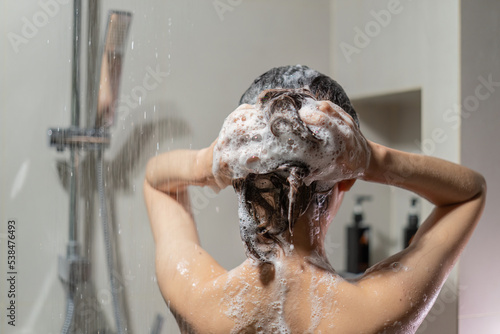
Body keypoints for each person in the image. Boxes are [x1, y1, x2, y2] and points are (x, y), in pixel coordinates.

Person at [143, 65, 486, 333]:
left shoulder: (200, 302)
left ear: (239, 178)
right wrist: (372, 160)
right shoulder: (378, 311)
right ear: (346, 180)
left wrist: (210, 162)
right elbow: (469, 193)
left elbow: (156, 181)